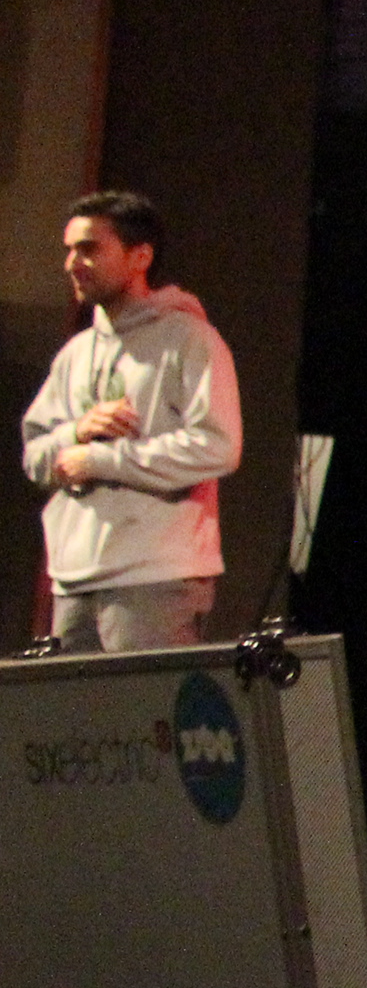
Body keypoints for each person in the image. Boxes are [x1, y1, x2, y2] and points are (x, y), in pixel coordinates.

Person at [18, 191, 241, 652]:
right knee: (74, 702)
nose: (72, 263)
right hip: (75, 578)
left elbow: (217, 445)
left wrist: (101, 460)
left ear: (140, 256)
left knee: (142, 700)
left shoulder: (189, 340)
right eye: (69, 250)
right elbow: (35, 455)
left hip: (155, 576)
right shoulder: (75, 354)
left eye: (88, 249)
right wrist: (75, 432)